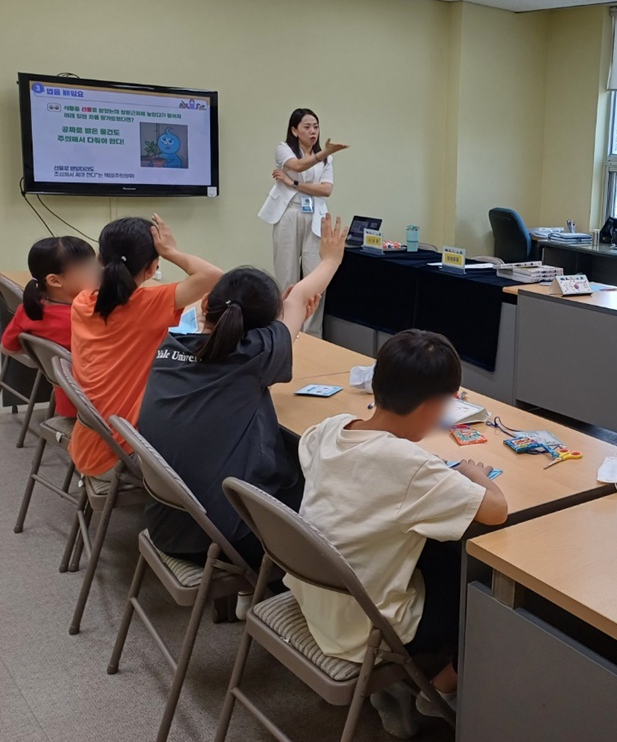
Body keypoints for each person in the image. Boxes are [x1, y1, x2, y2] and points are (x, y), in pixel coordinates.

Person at [288, 329, 507, 731]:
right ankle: (440, 688)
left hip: (315, 595)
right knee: (484, 587)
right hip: (364, 629)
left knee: (432, 546)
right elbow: (497, 511)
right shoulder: (411, 467)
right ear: (433, 406)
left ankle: (406, 686)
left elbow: (317, 456)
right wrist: (475, 473)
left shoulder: (332, 428)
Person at [138, 214, 348, 574]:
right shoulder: (255, 353)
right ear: (267, 326)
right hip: (222, 538)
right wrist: (331, 259)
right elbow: (299, 296)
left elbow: (292, 304)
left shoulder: (171, 343)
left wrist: (285, 318)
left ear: (206, 303)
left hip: (166, 523)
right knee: (331, 483)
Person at [69, 215, 222, 491]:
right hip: (121, 456)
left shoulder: (82, 301)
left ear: (100, 258)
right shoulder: (149, 305)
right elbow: (215, 277)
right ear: (152, 268)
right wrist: (171, 251)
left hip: (89, 446)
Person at [257, 108, 348, 338]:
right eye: (307, 127)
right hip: (289, 213)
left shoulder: (326, 158)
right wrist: (323, 153)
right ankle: (285, 330)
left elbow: (326, 190)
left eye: (316, 126)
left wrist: (293, 183)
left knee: (315, 279)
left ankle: (312, 335)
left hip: (316, 216)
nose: (312, 131)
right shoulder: (284, 149)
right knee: (287, 276)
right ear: (295, 130)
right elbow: (297, 166)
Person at [2, 236, 99, 420]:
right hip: (97, 407)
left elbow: (7, 348)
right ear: (55, 280)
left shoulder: (29, 310)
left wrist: (44, 354)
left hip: (68, 402)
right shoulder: (86, 317)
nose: (98, 272)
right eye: (88, 268)